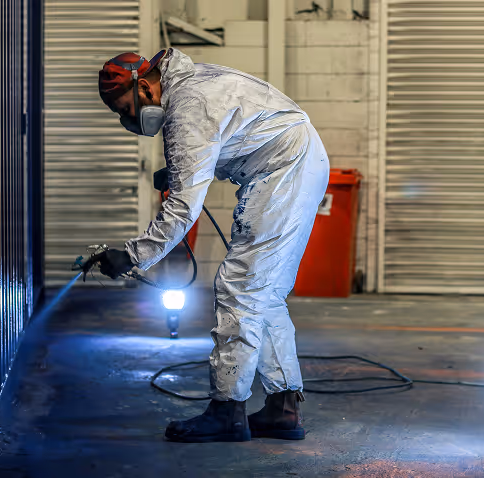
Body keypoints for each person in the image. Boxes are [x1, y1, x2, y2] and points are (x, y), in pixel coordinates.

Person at [96, 48, 329, 443]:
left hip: (285, 170)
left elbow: (184, 208)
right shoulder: (190, 84)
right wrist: (179, 169)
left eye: (128, 108)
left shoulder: (187, 105)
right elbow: (226, 135)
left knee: (239, 287)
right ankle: (283, 408)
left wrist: (133, 256)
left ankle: (226, 412)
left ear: (145, 85)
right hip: (295, 163)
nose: (130, 119)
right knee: (263, 293)